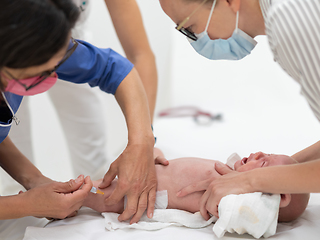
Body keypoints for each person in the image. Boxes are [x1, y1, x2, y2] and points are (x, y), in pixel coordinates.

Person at [0, 0, 157, 231]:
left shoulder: (39, 44)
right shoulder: (20, 48)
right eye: (43, 72)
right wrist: (24, 204)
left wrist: (142, 142)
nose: (54, 75)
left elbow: (117, 70)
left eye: (58, 64)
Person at [158, 0, 320, 218]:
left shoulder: (290, 21)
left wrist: (249, 180)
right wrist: (277, 170)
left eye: (189, 28)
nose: (195, 42)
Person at [84, 149, 309, 223]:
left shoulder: (238, 201)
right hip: (148, 168)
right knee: (93, 186)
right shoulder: (230, 175)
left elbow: (244, 217)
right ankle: (78, 191)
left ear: (278, 198)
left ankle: (79, 195)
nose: (257, 153)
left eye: (264, 162)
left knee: (95, 192)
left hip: (137, 195)